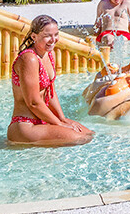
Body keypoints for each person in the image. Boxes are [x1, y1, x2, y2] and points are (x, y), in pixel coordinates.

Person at [7, 15, 93, 146]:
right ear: (34, 36)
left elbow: (50, 91)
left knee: (89, 134)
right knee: (79, 138)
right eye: (47, 36)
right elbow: (33, 103)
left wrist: (62, 118)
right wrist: (59, 124)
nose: (53, 40)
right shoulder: (29, 59)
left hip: (44, 121)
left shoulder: (49, 54)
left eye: (56, 34)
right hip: (26, 124)